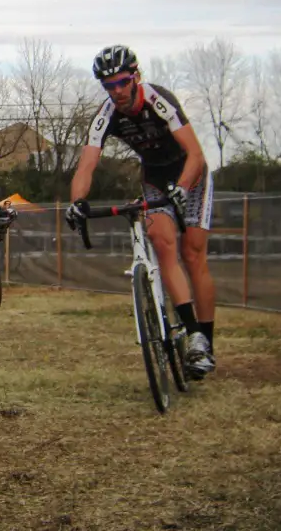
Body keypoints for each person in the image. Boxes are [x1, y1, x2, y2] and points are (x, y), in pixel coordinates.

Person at [66, 44, 217, 378]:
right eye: (108, 85)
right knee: (161, 241)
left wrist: (183, 187)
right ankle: (190, 333)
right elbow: (86, 165)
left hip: (190, 175)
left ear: (135, 76)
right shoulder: (106, 114)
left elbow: (196, 153)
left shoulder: (157, 99)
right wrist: (76, 202)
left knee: (192, 254)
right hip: (155, 178)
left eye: (121, 82)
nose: (116, 91)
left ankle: (205, 342)